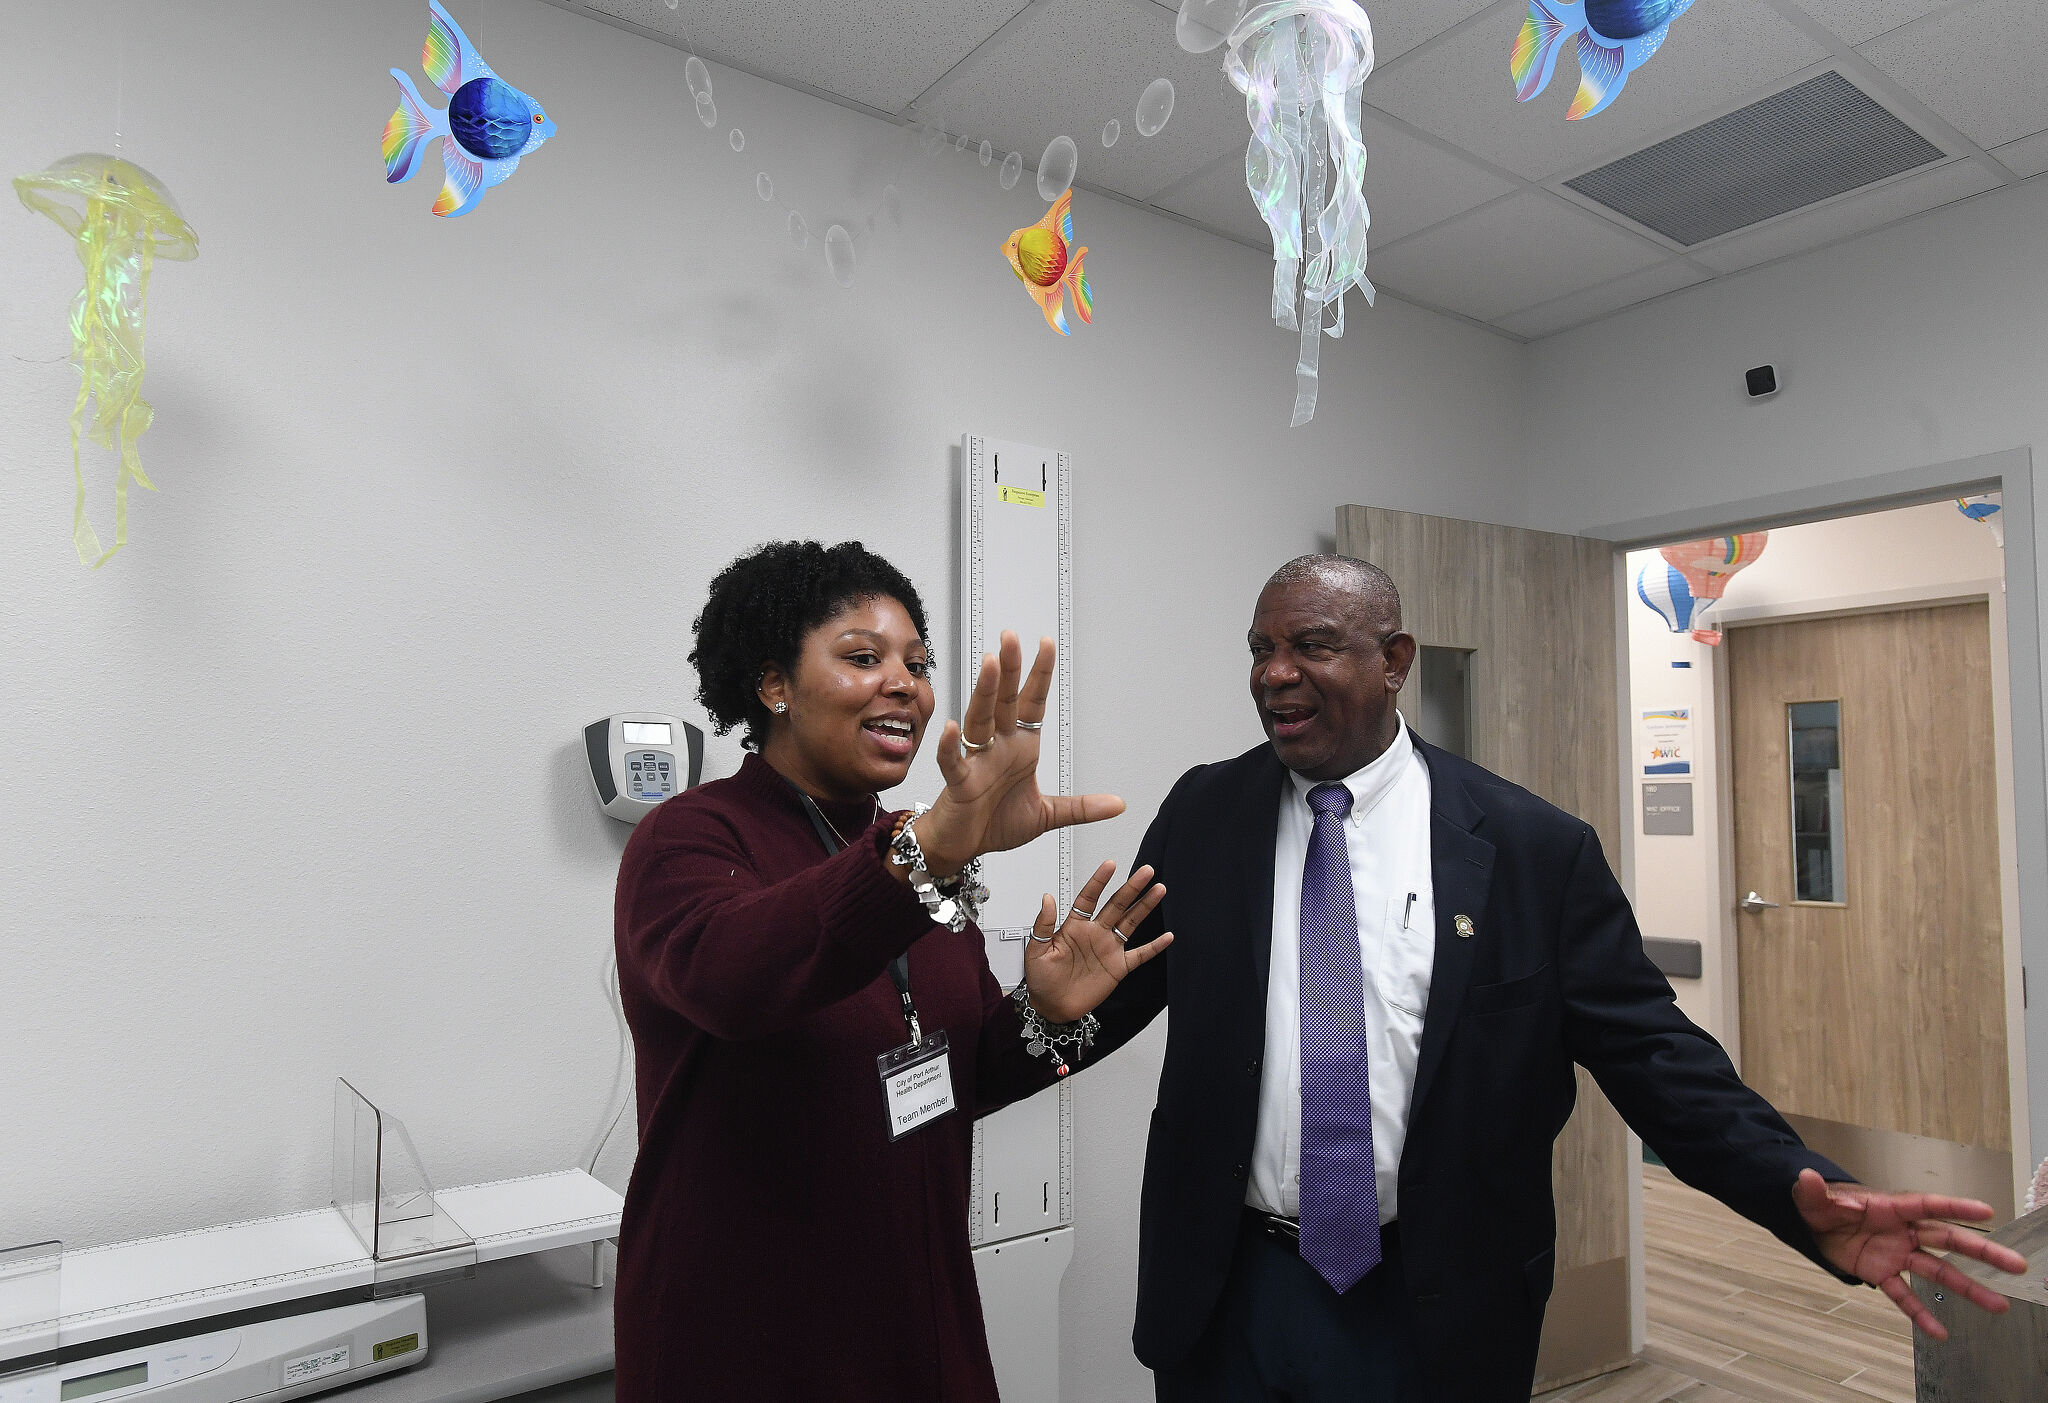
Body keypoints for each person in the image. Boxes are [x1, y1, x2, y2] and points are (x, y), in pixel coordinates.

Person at [1060, 553, 2029, 1402]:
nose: (1274, 673)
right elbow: (1107, 997)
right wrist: (1033, 1007)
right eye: (1258, 646)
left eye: (1308, 644)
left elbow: (1655, 1057)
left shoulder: (1529, 848)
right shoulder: (1204, 811)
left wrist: (1792, 1189)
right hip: (1228, 1288)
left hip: (1428, 1299)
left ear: (1393, 660)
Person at [610, 540, 1169, 1403]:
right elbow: (738, 978)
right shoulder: (689, 838)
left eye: (917, 662)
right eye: (863, 658)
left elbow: (960, 1067)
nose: (903, 683)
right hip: (746, 1340)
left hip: (920, 1323)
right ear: (773, 686)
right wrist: (924, 851)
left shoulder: (918, 855)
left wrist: (1043, 1014)